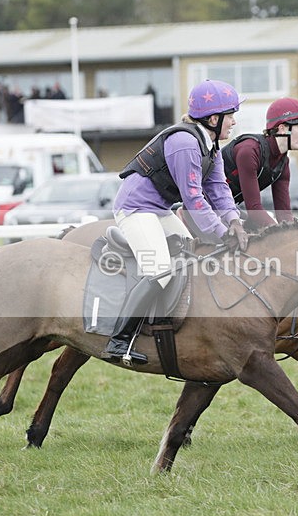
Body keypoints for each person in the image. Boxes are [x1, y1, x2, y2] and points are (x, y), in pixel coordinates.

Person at [106, 79, 248, 360]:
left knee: (193, 256)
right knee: (160, 269)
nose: (233, 121)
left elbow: (218, 188)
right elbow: (194, 199)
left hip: (159, 209)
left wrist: (234, 222)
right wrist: (221, 233)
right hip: (136, 209)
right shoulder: (184, 143)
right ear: (213, 118)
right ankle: (119, 341)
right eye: (230, 115)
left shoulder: (212, 146)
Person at [222, 97, 298, 230]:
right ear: (282, 129)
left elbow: (283, 214)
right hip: (198, 209)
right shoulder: (249, 151)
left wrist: (293, 234)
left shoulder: (283, 162)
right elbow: (254, 209)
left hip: (227, 209)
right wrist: (280, 234)